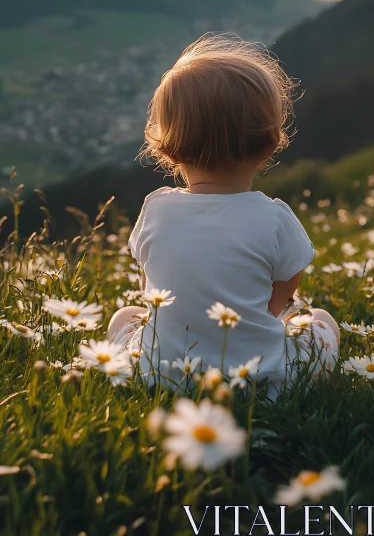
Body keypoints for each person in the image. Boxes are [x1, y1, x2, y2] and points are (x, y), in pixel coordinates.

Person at [107, 34, 339, 397]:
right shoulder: (275, 218)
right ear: (269, 143)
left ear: (168, 147)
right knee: (321, 321)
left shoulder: (156, 210)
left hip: (161, 377)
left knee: (123, 318)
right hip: (260, 381)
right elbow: (282, 295)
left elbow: (149, 289)